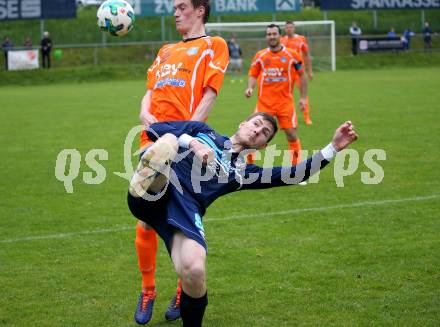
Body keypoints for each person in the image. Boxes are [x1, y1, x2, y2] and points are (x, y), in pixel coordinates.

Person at [127, 112, 359, 327]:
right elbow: (155, 128)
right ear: (243, 124)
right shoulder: (203, 131)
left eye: (264, 133)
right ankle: (151, 180)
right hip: (157, 193)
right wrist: (194, 144)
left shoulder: (241, 174)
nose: (258, 131)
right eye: (256, 124)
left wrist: (334, 148)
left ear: (262, 146)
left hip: (186, 211)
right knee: (168, 140)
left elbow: (295, 174)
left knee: (195, 269)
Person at [134, 0, 229, 324]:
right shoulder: (165, 50)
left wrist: (187, 136)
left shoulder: (213, 46)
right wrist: (145, 112)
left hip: (183, 144)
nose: (175, 11)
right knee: (146, 218)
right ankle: (148, 290)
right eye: (174, 6)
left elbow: (209, 94)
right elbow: (149, 90)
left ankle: (181, 289)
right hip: (152, 140)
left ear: (200, 10)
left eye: (182, 6)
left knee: (181, 217)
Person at [245, 24, 307, 168]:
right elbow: (253, 74)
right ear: (266, 37)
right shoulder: (260, 56)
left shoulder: (292, 55)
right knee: (252, 133)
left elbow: (302, 75)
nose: (272, 36)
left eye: (274, 34)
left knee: (291, 134)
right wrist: (249, 88)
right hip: (264, 104)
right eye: (269, 34)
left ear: (280, 36)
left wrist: (303, 97)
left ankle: (296, 170)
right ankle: (247, 166)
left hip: (285, 103)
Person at [280, 20, 313, 125]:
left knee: (303, 93)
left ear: (294, 28)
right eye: (287, 27)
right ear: (285, 29)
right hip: (286, 73)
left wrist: (310, 71)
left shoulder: (301, 39)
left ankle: (307, 117)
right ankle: (287, 117)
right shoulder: (281, 40)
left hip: (299, 71)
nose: (289, 29)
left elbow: (307, 55)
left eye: (291, 27)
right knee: (286, 95)